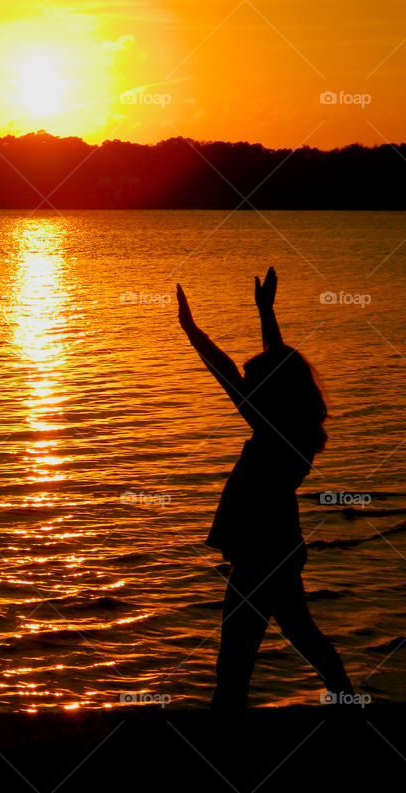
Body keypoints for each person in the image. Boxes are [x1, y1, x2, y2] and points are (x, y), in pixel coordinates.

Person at [176, 267, 354, 710]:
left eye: (258, 387)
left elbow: (226, 373)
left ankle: (227, 733)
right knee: (298, 637)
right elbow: (274, 362)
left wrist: (192, 331)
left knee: (237, 658)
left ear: (273, 394)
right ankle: (348, 703)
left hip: (263, 555)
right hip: (275, 550)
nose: (249, 393)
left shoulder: (277, 433)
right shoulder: (293, 427)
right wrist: (266, 311)